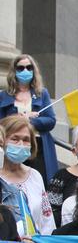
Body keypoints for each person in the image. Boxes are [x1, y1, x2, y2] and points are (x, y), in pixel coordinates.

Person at [0, 54, 58, 182]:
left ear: (33, 70)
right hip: (12, 146)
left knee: (39, 180)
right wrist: (17, 120)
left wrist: (30, 121)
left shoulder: (42, 94)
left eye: (29, 67)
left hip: (38, 145)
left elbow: (51, 120)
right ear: (14, 71)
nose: (25, 71)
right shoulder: (4, 95)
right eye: (20, 68)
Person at [0, 115, 55, 236]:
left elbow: (46, 219)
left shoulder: (35, 176)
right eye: (15, 139)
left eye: (26, 140)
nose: (21, 144)